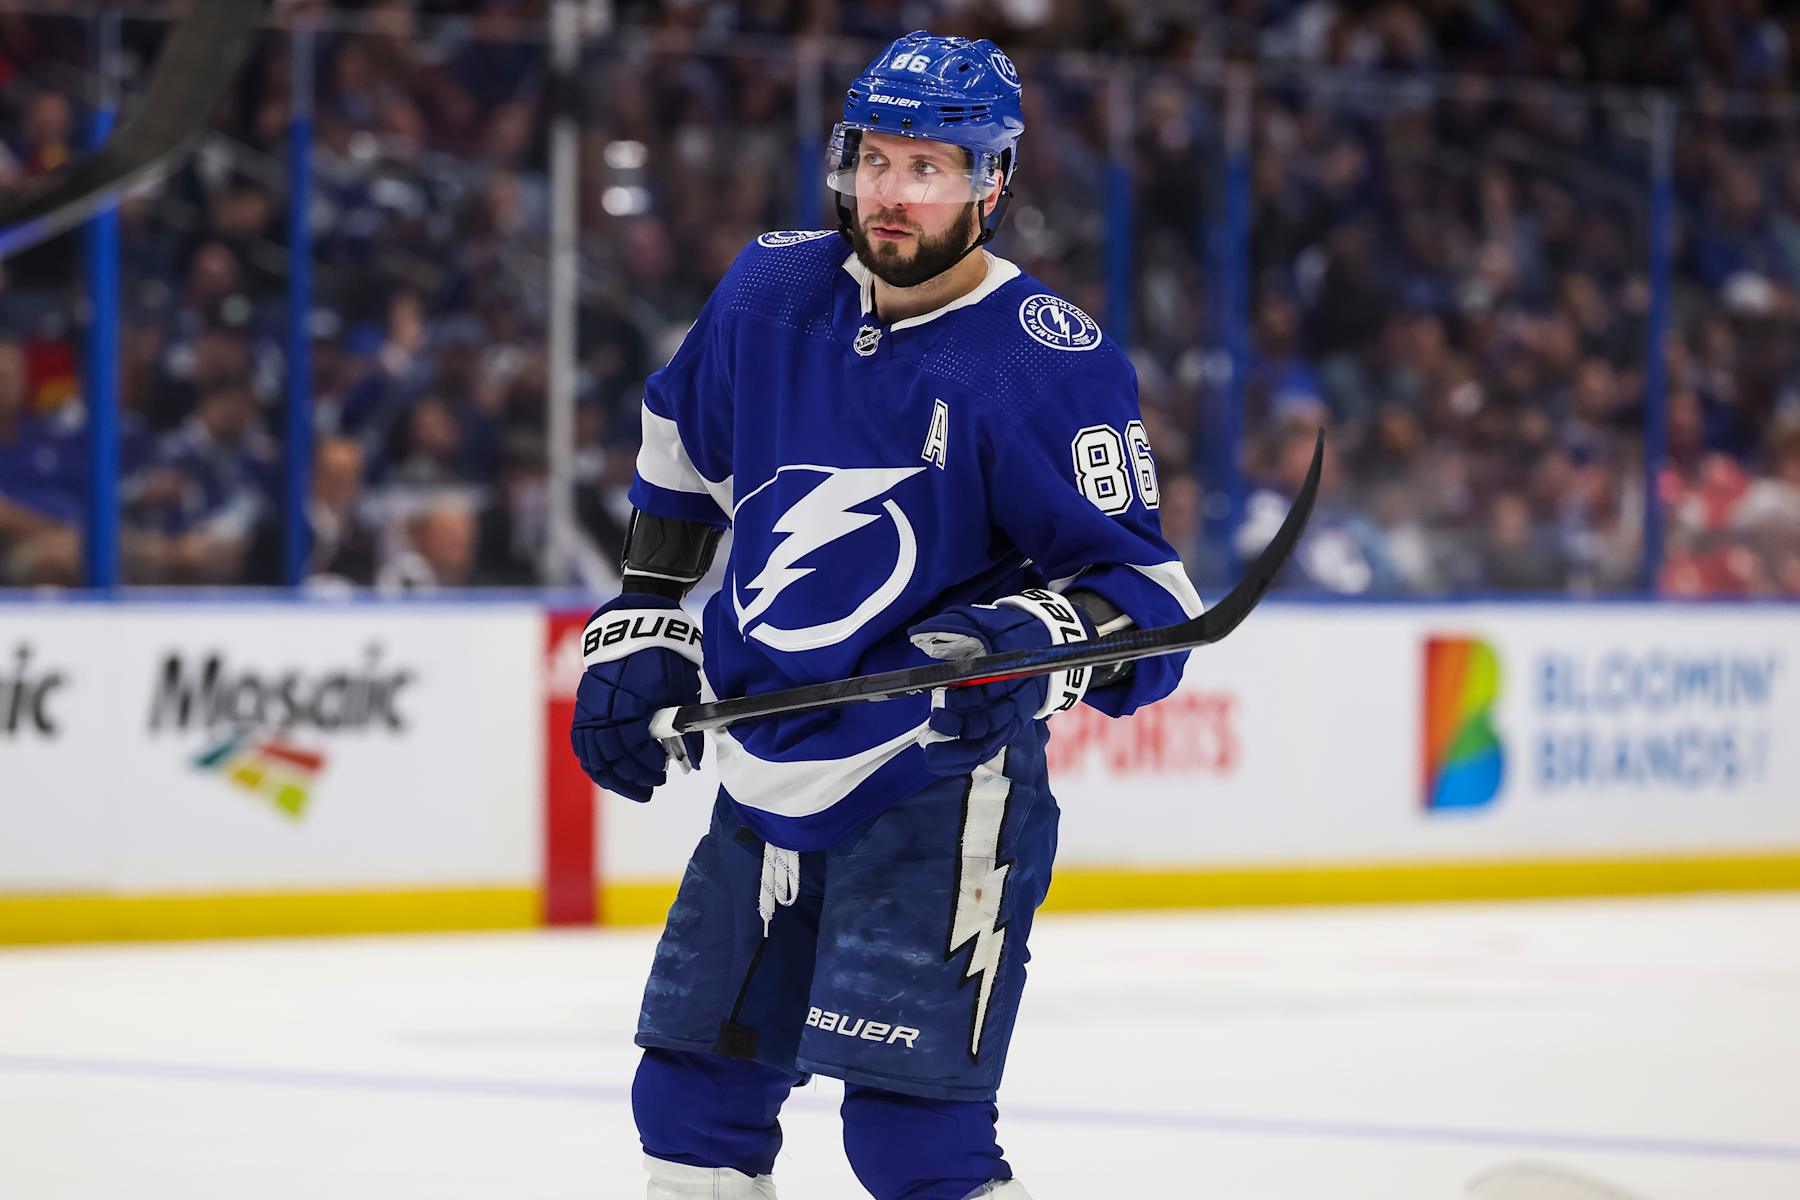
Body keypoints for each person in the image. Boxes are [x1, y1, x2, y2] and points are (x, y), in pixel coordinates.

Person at [569, 32, 1201, 1200]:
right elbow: (678, 452)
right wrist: (648, 615)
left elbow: (1154, 604)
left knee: (912, 1145)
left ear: (991, 184)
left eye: (926, 168)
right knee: (689, 1110)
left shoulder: (1044, 362)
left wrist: (1037, 645)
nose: (888, 193)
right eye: (873, 159)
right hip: (762, 772)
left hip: (936, 785)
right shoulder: (771, 291)